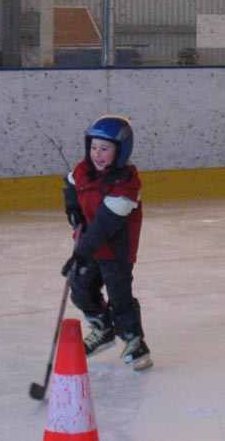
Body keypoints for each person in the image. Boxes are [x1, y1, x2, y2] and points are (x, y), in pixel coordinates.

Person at [61, 115, 153, 370]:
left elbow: (103, 228)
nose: (97, 154)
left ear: (121, 152)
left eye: (105, 149)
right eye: (93, 147)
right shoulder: (84, 170)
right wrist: (73, 210)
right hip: (91, 244)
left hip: (115, 250)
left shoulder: (125, 187)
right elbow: (70, 184)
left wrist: (80, 253)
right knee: (80, 285)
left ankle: (135, 342)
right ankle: (102, 328)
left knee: (119, 295)